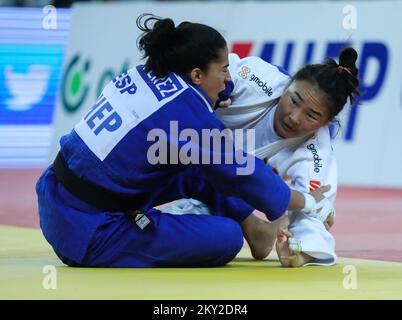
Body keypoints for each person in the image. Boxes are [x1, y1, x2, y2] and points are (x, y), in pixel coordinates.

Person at [36, 14, 334, 268]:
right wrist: (308, 202)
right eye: (223, 69)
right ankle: (246, 227)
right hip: (88, 231)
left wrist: (218, 93)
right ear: (196, 74)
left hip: (56, 193)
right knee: (225, 236)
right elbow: (241, 171)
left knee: (190, 165)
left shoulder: (147, 72)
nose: (228, 78)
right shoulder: (184, 115)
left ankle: (256, 229)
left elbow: (209, 112)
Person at [169, 47, 360, 267]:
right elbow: (209, 69)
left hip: (211, 177)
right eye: (294, 100)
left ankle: (252, 227)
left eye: (312, 115)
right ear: (287, 85)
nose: (294, 117)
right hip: (180, 152)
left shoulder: (316, 152)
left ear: (325, 123)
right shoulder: (259, 79)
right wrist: (207, 95)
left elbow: (314, 217)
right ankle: (253, 226)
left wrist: (298, 253)